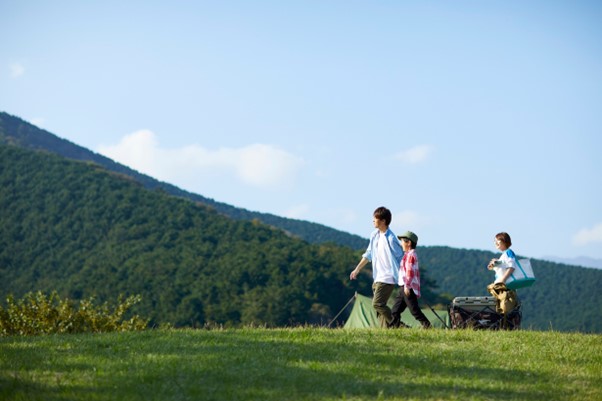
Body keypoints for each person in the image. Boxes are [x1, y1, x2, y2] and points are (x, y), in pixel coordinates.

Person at [349, 206, 403, 328]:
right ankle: (385, 331)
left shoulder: (391, 239)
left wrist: (405, 278)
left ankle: (399, 325)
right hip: (377, 277)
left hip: (388, 277)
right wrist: (357, 269)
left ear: (383, 221)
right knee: (379, 309)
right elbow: (368, 254)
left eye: (375, 218)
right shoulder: (374, 235)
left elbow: (401, 259)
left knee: (377, 304)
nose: (373, 220)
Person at [390, 231, 431, 329]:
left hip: (408, 287)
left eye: (402, 241)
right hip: (403, 287)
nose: (401, 244)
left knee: (414, 311)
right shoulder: (408, 255)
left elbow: (409, 272)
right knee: (395, 310)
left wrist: (407, 286)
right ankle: (393, 328)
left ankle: (428, 326)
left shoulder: (411, 255)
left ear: (409, 243)